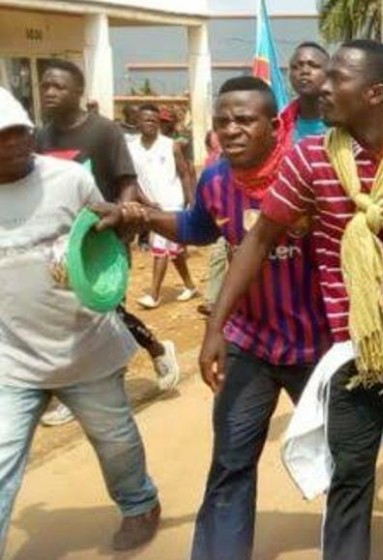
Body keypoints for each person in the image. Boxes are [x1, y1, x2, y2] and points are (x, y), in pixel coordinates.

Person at [211, 41, 383, 560]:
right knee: (351, 466)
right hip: (358, 341)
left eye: (338, 79)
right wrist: (215, 328)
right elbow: (259, 239)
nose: (322, 86)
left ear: (375, 93)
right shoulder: (310, 158)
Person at [94, 77, 332, 560]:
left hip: (320, 349)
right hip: (250, 342)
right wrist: (138, 216)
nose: (231, 129)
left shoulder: (311, 172)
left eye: (244, 120)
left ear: (272, 124)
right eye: (222, 121)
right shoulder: (216, 179)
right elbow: (196, 228)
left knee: (343, 465)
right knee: (230, 462)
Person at [0, 86, 161, 555]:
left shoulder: (69, 179)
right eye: (1, 137)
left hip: (84, 346)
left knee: (115, 443)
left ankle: (139, 504)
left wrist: (129, 225)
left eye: (18, 133)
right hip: (12, 359)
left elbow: (103, 242)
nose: (12, 144)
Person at [34, 58, 179, 426]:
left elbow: (126, 180)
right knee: (64, 315)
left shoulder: (102, 132)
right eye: (45, 85)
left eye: (58, 86)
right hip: (55, 244)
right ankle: (73, 387)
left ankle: (156, 348)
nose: (49, 92)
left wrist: (120, 218)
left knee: (103, 309)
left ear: (78, 92)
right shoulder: (40, 137)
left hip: (101, 238)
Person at [129, 103, 198, 309]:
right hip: (152, 206)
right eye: (145, 119)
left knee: (160, 247)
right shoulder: (131, 148)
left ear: (159, 122)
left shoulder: (171, 145)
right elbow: (132, 180)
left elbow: (185, 174)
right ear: (137, 122)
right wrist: (146, 202)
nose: (149, 123)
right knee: (173, 250)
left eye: (153, 119)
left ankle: (154, 295)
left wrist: (191, 202)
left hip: (173, 203)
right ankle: (190, 285)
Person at [280, 42, 330, 147]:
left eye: (313, 65)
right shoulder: (280, 127)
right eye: (296, 67)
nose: (304, 71)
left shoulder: (345, 125)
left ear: (329, 74)